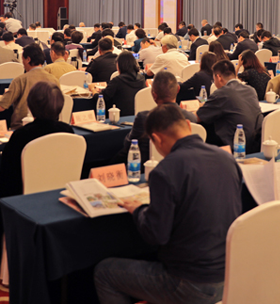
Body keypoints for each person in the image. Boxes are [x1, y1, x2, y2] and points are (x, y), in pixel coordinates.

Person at [95, 104, 242, 304]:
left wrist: (138, 210)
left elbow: (156, 235)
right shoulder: (226, 159)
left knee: (104, 272)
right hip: (229, 276)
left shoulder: (166, 170)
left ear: (156, 139)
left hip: (190, 283)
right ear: (188, 125)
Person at [0, 81, 74, 260]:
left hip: (22, 198)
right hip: (58, 195)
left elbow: (7, 176)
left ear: (31, 105)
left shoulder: (22, 135)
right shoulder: (68, 132)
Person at [111, 71, 196, 165]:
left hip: (148, 168)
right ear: (178, 89)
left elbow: (128, 146)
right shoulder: (191, 118)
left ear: (154, 95)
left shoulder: (144, 118)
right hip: (185, 167)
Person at [196, 60, 262, 150]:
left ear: (218, 77)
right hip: (255, 144)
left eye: (213, 79)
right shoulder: (251, 90)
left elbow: (198, 117)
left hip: (235, 146)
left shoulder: (221, 93)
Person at [0, 44, 60, 127]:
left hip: (22, 127)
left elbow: (0, 107)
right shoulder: (54, 80)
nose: (23, 63)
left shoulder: (20, 80)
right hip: (49, 127)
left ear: (28, 59)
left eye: (23, 60)